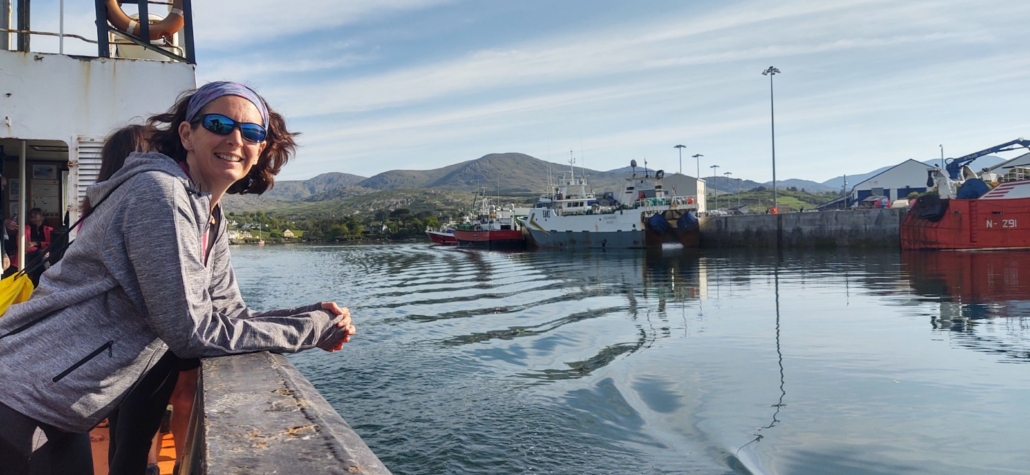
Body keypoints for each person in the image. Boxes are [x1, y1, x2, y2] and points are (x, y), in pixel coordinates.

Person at [0, 81, 356, 473]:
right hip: (20, 399)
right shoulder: (161, 193)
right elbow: (191, 332)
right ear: (187, 134)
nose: (236, 139)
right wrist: (311, 331)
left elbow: (228, 313)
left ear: (260, 149)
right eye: (219, 124)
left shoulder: (209, 214)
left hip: (59, 411)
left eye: (252, 132)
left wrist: (311, 315)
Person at [19, 208, 53, 286]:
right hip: (29, 255)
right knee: (41, 257)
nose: (32, 215)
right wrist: (40, 250)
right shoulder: (24, 229)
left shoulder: (49, 230)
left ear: (42, 217)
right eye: (31, 213)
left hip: (45, 254)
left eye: (36, 213)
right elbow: (25, 246)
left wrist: (37, 243)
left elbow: (50, 244)